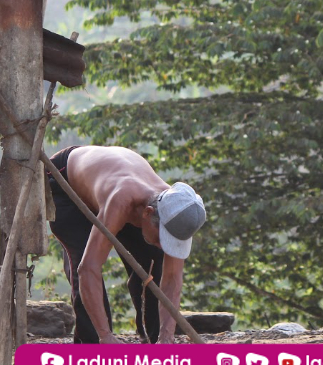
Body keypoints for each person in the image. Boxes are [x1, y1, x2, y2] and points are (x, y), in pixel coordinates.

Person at [47, 145, 206, 344]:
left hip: (112, 184)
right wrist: (106, 336)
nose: (162, 244)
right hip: (66, 181)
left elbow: (173, 277)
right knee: (84, 259)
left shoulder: (177, 211)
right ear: (147, 213)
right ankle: (93, 345)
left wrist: (167, 336)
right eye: (161, 237)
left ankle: (154, 339)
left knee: (153, 259)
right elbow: (89, 268)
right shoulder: (122, 199)